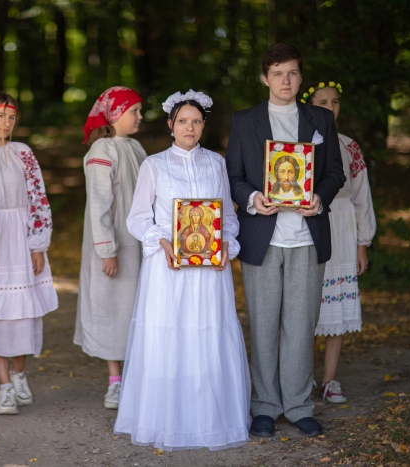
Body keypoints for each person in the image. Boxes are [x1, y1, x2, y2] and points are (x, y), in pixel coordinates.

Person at [114, 90, 251, 451]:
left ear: (204, 124)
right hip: (168, 269)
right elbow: (139, 217)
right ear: (170, 125)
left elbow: (230, 217)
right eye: (183, 121)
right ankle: (168, 419)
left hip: (209, 271)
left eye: (196, 121)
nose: (189, 127)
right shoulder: (154, 165)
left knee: (207, 334)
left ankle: (209, 418)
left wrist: (225, 244)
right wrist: (161, 240)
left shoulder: (217, 163)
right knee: (171, 334)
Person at [226, 44, 346, 438]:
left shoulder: (320, 120)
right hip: (262, 235)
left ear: (301, 78)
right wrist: (251, 198)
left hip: (307, 236)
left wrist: (319, 197)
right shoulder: (245, 121)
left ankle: (297, 405)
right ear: (265, 78)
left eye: (292, 73)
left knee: (300, 324)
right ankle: (264, 406)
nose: (285, 81)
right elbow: (233, 176)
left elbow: (334, 173)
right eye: (277, 74)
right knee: (263, 325)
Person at [0, 92, 58, 415]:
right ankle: (4, 386)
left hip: (20, 238)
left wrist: (38, 244)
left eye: (12, 117)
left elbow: (38, 198)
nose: (6, 123)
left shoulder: (23, 153)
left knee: (22, 312)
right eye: (0, 115)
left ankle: (19, 374)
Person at [74, 86, 147, 409]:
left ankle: (136, 375)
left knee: (135, 308)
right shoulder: (102, 149)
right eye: (135, 111)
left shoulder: (137, 148)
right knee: (113, 307)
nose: (140, 117)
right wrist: (107, 250)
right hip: (114, 243)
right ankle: (114, 381)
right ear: (116, 114)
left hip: (138, 241)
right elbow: (100, 203)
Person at [302, 81, 376, 403]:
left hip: (343, 228)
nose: (330, 108)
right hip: (309, 228)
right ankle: (300, 379)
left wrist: (362, 242)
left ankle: (329, 379)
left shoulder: (349, 147)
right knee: (306, 308)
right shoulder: (301, 143)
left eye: (335, 102)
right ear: (310, 106)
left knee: (336, 310)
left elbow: (362, 197)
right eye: (322, 102)